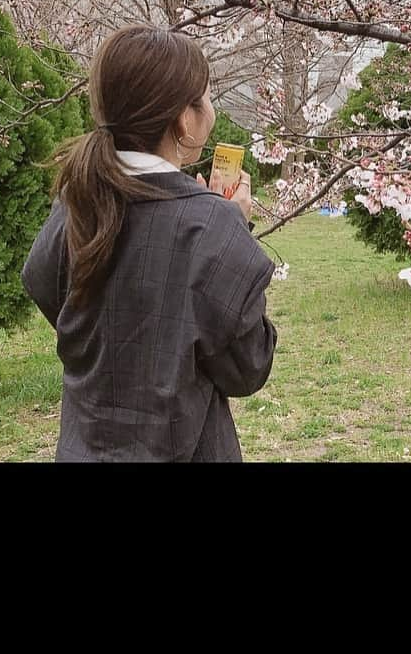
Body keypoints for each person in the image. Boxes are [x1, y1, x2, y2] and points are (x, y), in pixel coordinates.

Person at [21, 25, 277, 462]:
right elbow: (248, 366)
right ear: (183, 118)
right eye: (207, 95)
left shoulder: (76, 201)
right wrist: (231, 225)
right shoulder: (211, 223)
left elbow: (48, 289)